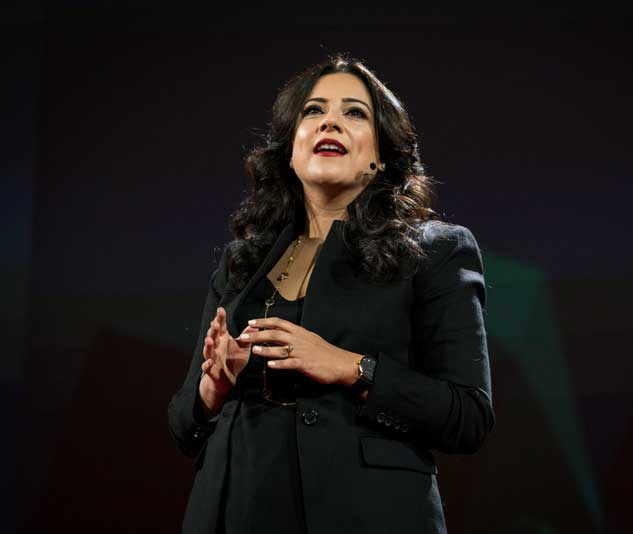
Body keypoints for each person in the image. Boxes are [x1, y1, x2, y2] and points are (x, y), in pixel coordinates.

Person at [167, 54, 494, 534]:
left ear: (380, 153)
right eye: (314, 111)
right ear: (291, 149)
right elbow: (182, 428)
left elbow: (468, 416)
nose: (331, 122)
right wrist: (211, 391)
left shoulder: (438, 251)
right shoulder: (242, 261)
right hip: (234, 509)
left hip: (366, 514)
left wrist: (350, 367)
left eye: (354, 113)